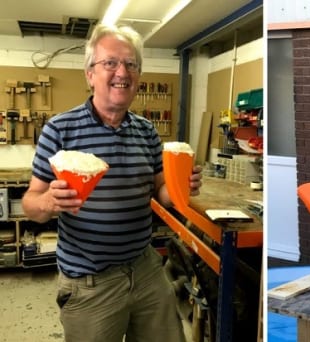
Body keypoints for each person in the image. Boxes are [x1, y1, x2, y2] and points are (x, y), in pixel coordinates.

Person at [21, 24, 201, 342]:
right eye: (111, 63)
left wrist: (180, 185)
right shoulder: (59, 130)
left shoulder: (147, 131)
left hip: (145, 268)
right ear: (90, 74)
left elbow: (161, 193)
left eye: (131, 64)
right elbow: (31, 204)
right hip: (90, 281)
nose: (123, 72)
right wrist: (48, 201)